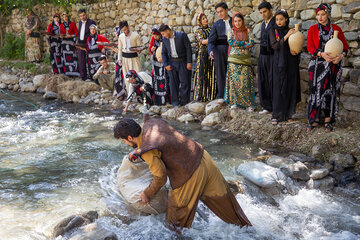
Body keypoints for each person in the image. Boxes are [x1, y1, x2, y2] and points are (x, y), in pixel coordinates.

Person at [113, 116, 252, 230]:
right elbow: (163, 143)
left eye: (124, 140)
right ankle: (252, 232)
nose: (125, 143)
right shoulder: (152, 123)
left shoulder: (147, 150)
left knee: (174, 226)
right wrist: (138, 150)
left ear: (130, 138)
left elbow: (161, 178)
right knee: (232, 214)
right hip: (202, 157)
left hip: (188, 175)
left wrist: (146, 193)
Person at [307, 3, 348, 132]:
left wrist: (341, 56)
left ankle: (328, 120)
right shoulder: (313, 29)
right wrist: (321, 54)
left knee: (329, 89)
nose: (320, 17)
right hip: (317, 63)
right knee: (315, 90)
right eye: (318, 14)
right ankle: (315, 119)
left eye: (323, 14)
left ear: (328, 14)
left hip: (333, 64)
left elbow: (345, 47)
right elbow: (310, 47)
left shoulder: (336, 29)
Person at [269, 10, 301, 125]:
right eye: (277, 19)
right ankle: (276, 115)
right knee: (278, 87)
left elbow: (297, 47)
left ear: (286, 19)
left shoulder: (291, 31)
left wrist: (296, 51)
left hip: (290, 63)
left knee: (289, 86)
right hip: (278, 63)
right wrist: (287, 36)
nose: (279, 22)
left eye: (281, 19)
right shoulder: (273, 31)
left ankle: (288, 114)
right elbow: (275, 46)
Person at [224, 13, 255, 111]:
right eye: (235, 21)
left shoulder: (248, 30)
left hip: (245, 60)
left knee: (245, 82)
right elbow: (231, 42)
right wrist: (244, 43)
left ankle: (248, 104)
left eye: (239, 21)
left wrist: (240, 44)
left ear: (243, 21)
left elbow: (252, 43)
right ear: (233, 22)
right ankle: (235, 103)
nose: (237, 23)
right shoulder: (230, 31)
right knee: (234, 82)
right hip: (233, 59)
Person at [160, 24, 192, 107]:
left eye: (163, 33)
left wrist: (189, 62)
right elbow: (163, 53)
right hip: (172, 63)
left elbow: (188, 48)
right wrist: (166, 64)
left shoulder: (182, 35)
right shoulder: (164, 39)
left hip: (183, 62)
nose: (163, 36)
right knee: (173, 84)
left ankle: (184, 102)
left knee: (185, 82)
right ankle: (175, 103)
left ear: (168, 31)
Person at [208, 2, 232, 99]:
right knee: (221, 73)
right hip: (220, 50)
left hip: (234, 49)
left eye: (221, 11)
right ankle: (221, 96)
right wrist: (211, 51)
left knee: (234, 72)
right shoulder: (216, 24)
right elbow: (210, 41)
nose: (220, 14)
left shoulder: (235, 20)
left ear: (226, 10)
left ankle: (234, 96)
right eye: (218, 12)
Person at [257, 1, 276, 114]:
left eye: (265, 12)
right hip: (263, 56)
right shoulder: (263, 24)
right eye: (261, 13)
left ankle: (274, 106)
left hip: (272, 56)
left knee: (272, 80)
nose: (263, 14)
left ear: (270, 10)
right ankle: (266, 106)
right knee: (263, 80)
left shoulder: (275, 23)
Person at [193, 13, 216, 102]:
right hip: (202, 55)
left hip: (211, 54)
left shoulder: (211, 29)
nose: (205, 20)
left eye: (206, 18)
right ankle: (200, 96)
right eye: (203, 19)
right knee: (202, 74)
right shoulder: (198, 31)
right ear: (199, 21)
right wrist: (214, 39)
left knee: (211, 74)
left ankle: (210, 96)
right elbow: (202, 41)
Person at [117, 21, 142, 94]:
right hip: (125, 59)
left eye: (125, 29)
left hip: (134, 58)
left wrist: (139, 51)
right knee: (127, 77)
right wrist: (119, 59)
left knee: (137, 75)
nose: (124, 31)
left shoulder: (135, 35)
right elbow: (120, 49)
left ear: (128, 27)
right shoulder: (121, 36)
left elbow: (139, 47)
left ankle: (139, 94)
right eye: (122, 30)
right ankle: (130, 94)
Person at [149, 27, 170, 105]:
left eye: (156, 35)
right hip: (156, 64)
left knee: (165, 80)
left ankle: (165, 99)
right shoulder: (153, 39)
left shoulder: (164, 39)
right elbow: (150, 50)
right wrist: (152, 49)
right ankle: (157, 100)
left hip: (163, 62)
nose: (155, 37)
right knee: (156, 81)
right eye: (154, 36)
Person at [77, 8, 96, 80]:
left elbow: (94, 33)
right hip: (80, 44)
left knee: (89, 59)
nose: (82, 17)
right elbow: (80, 33)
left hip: (88, 43)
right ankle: (83, 76)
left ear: (86, 14)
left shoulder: (91, 22)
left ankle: (91, 76)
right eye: (81, 16)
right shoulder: (80, 22)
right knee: (81, 60)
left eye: (83, 15)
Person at [60, 12, 80, 77]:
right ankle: (67, 72)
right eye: (63, 17)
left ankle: (74, 72)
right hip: (64, 43)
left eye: (66, 17)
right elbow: (61, 33)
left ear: (68, 17)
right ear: (62, 18)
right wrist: (61, 36)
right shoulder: (61, 25)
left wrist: (71, 36)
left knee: (72, 57)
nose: (65, 18)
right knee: (65, 57)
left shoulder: (72, 24)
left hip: (71, 42)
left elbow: (77, 34)